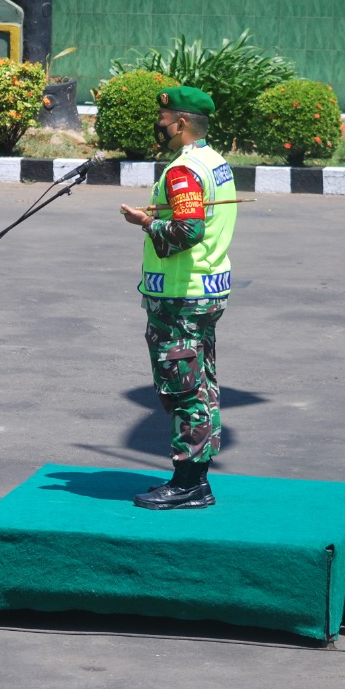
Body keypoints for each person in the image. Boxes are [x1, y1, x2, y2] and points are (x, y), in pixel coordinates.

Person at [119, 86, 236, 510]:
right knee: (201, 383)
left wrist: (146, 222)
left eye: (164, 117)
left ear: (181, 123)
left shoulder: (183, 171)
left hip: (180, 297)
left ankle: (188, 483)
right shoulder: (216, 162)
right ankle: (195, 477)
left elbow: (187, 232)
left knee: (183, 388)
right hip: (205, 291)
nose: (160, 124)